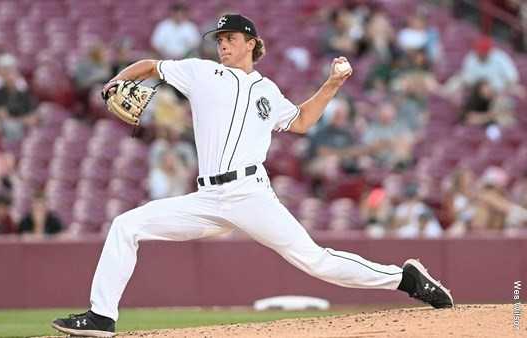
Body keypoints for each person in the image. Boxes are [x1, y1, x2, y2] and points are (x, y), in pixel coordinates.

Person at [52, 14, 453, 337]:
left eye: (230, 38)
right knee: (126, 225)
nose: (222, 44)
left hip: (250, 193)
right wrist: (119, 80)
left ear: (251, 44)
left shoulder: (268, 91)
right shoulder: (199, 72)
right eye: (219, 39)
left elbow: (300, 122)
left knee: (316, 261)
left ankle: (406, 278)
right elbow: (151, 66)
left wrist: (332, 84)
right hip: (207, 199)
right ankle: (102, 317)